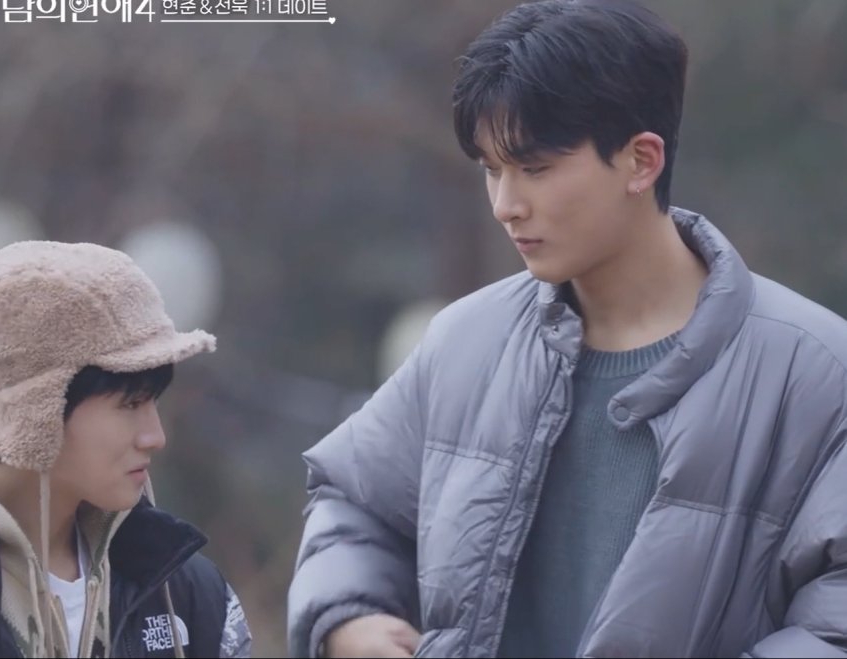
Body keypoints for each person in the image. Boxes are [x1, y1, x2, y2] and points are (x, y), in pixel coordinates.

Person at [287, 1, 847, 657]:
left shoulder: (814, 372)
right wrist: (348, 617)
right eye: (491, 169)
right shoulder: (467, 341)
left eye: (535, 168)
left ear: (641, 161)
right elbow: (352, 499)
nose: (506, 205)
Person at [0, 241, 252, 657]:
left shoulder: (190, 595)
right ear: (37, 409)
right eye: (130, 404)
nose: (155, 436)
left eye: (153, 401)